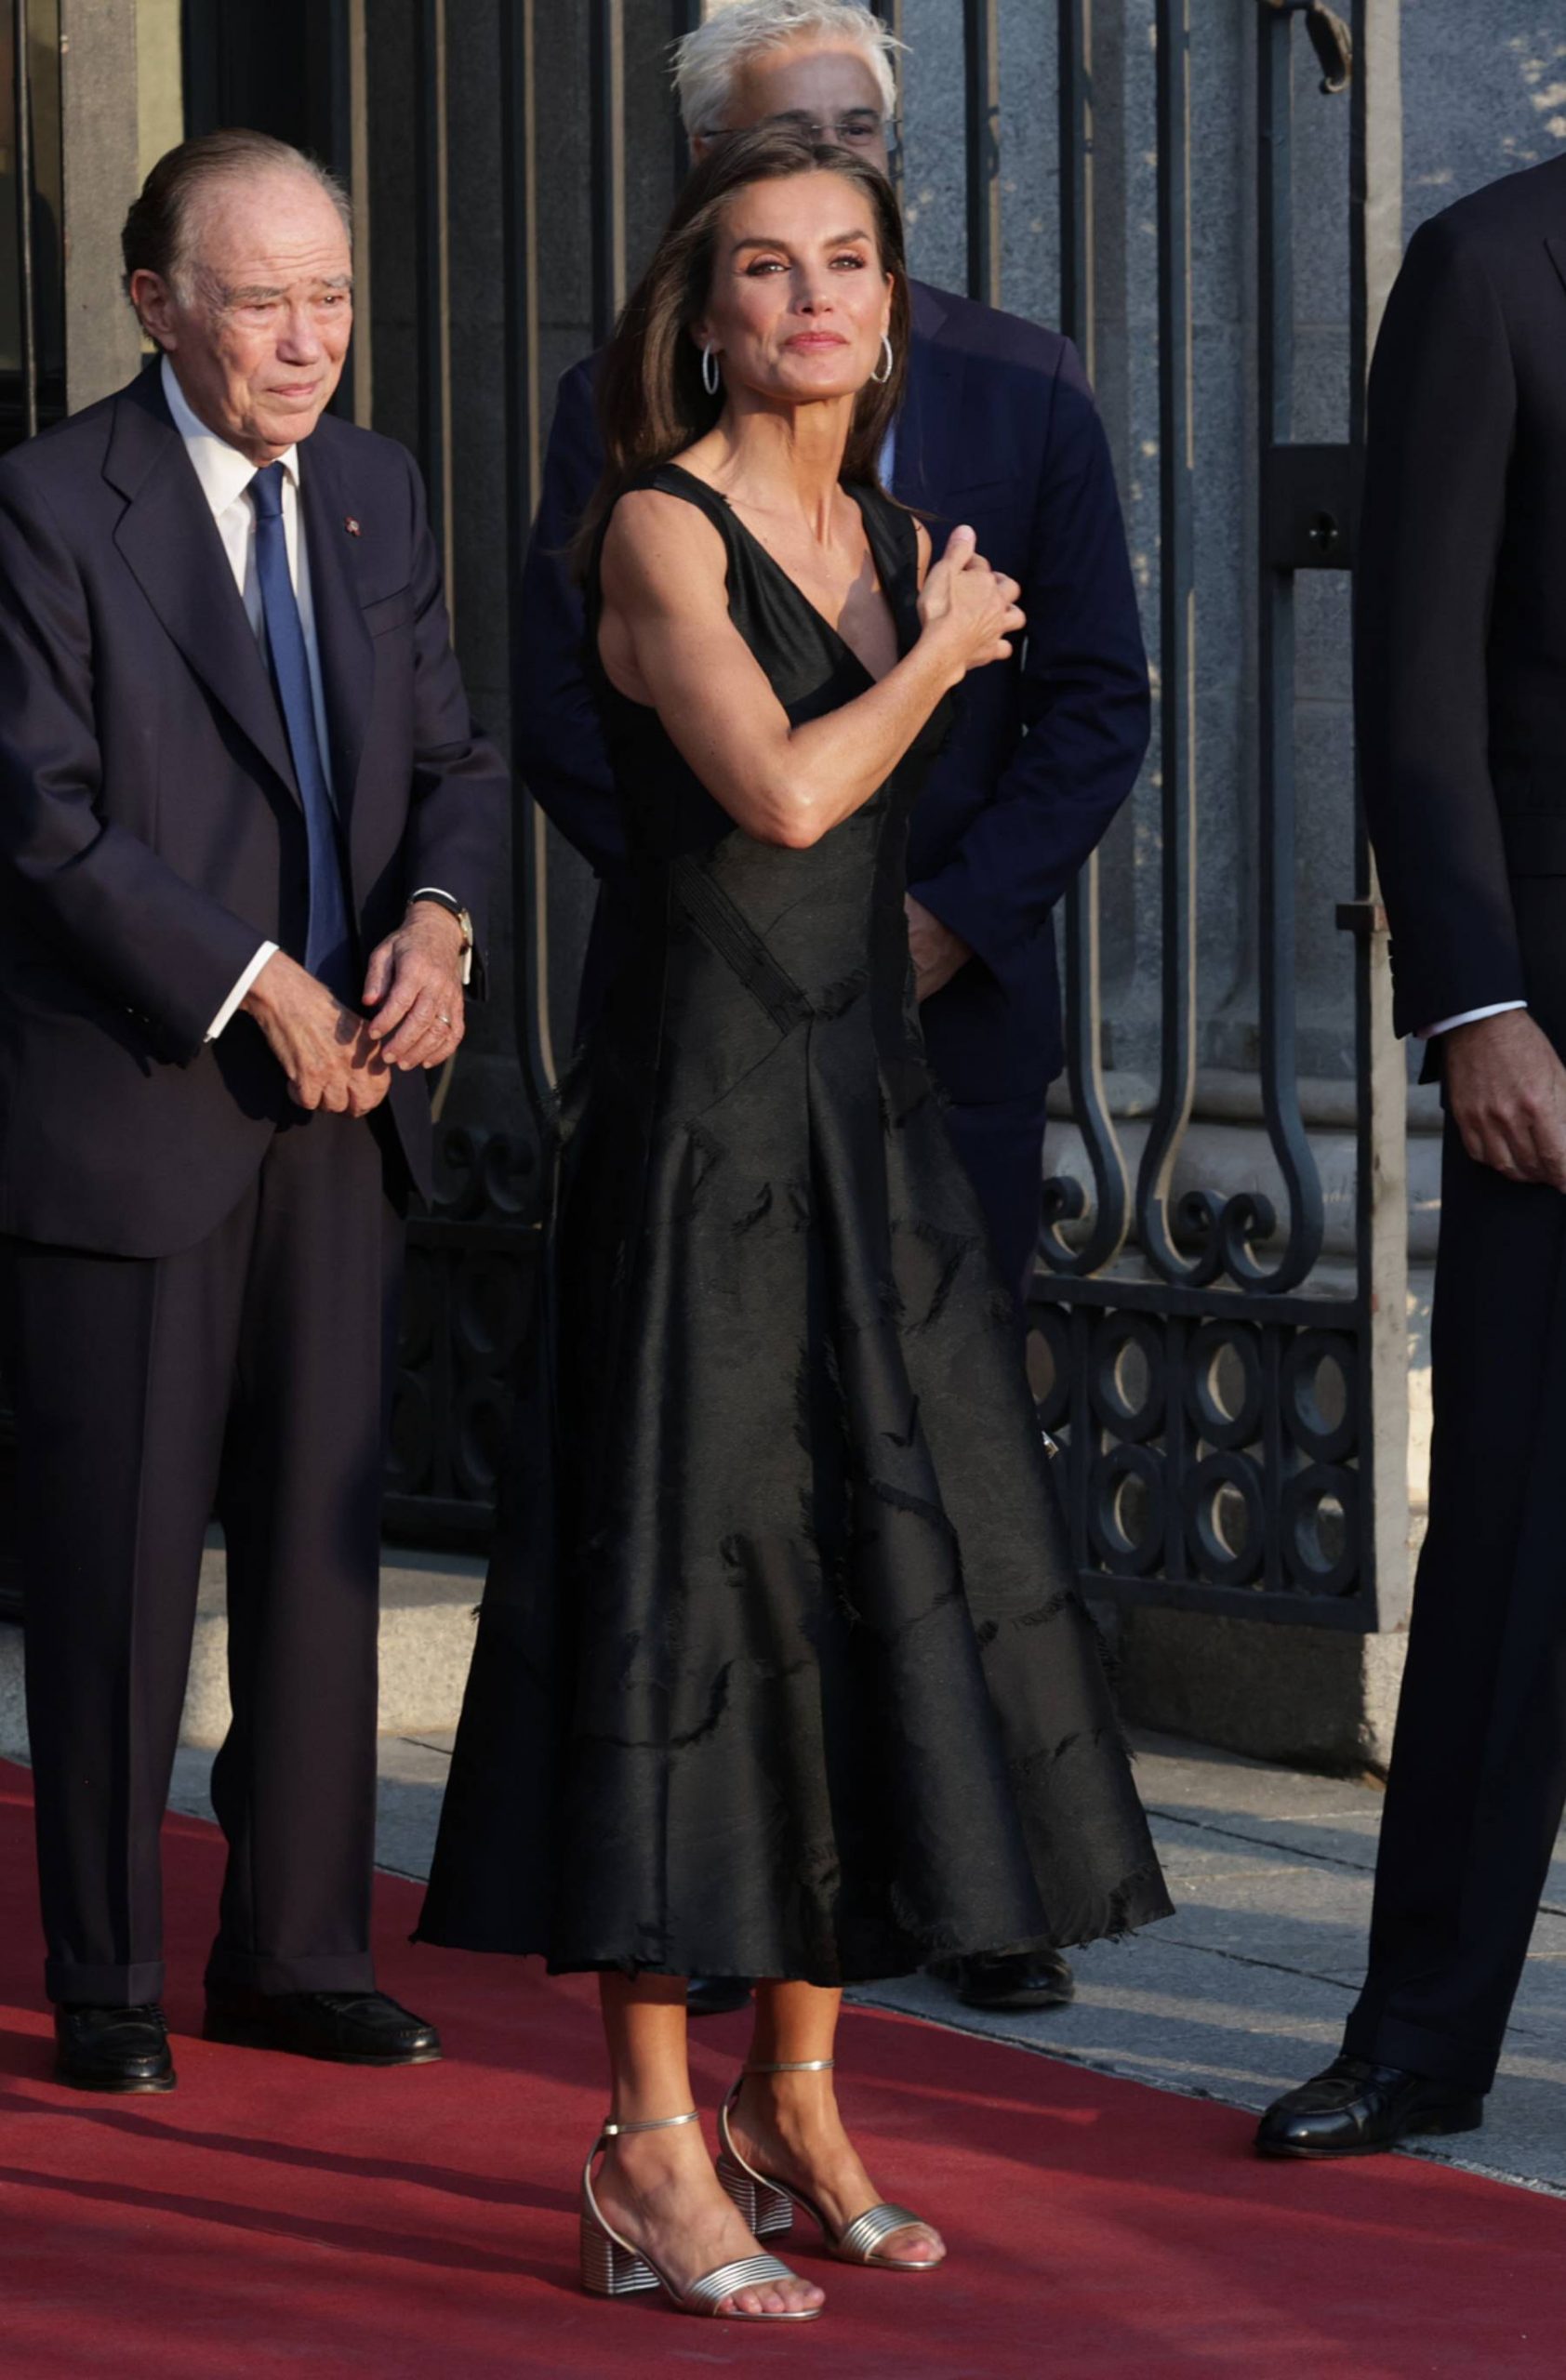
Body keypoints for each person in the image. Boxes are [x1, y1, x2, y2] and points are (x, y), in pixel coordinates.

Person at [418, 126, 1170, 2325]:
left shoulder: (886, 523)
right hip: (693, 1133)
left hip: (862, 1118)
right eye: (762, 268)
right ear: (705, 309)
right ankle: (646, 2142)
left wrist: (919, 620)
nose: (807, 299)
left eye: (843, 263)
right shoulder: (654, 522)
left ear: (886, 300)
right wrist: (937, 654)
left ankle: (798, 2093)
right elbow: (782, 791)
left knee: (857, 1580)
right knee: (689, 1591)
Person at [517, 0, 1151, 2023]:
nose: (817, 268)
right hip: (715, 1059)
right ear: (700, 255)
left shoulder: (984, 430)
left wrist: (944, 918)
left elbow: (1096, 704)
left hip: (916, 1051)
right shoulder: (638, 482)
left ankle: (930, 1923)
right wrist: (773, 906)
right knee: (709, 1541)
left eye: (855, 191)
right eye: (776, 208)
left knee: (922, 1500)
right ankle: (671, 2035)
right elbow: (673, 755)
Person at [0, 130, 506, 2095]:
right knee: (120, 1560)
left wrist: (442, 931)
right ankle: (112, 1972)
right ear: (156, 305)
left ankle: (296, 1945)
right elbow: (36, 811)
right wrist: (252, 977)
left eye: (333, 295)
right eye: (263, 299)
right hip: (142, 1097)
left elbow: (454, 755)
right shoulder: (47, 507)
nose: (309, 341)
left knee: (319, 1544)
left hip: (347, 1110)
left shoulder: (375, 492)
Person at [1257, 148, 1566, 2159]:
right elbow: (1417, 683)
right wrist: (1475, 1003)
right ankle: (1413, 2028)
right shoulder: (1481, 270)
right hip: (1553, 1034)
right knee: (1512, 1553)